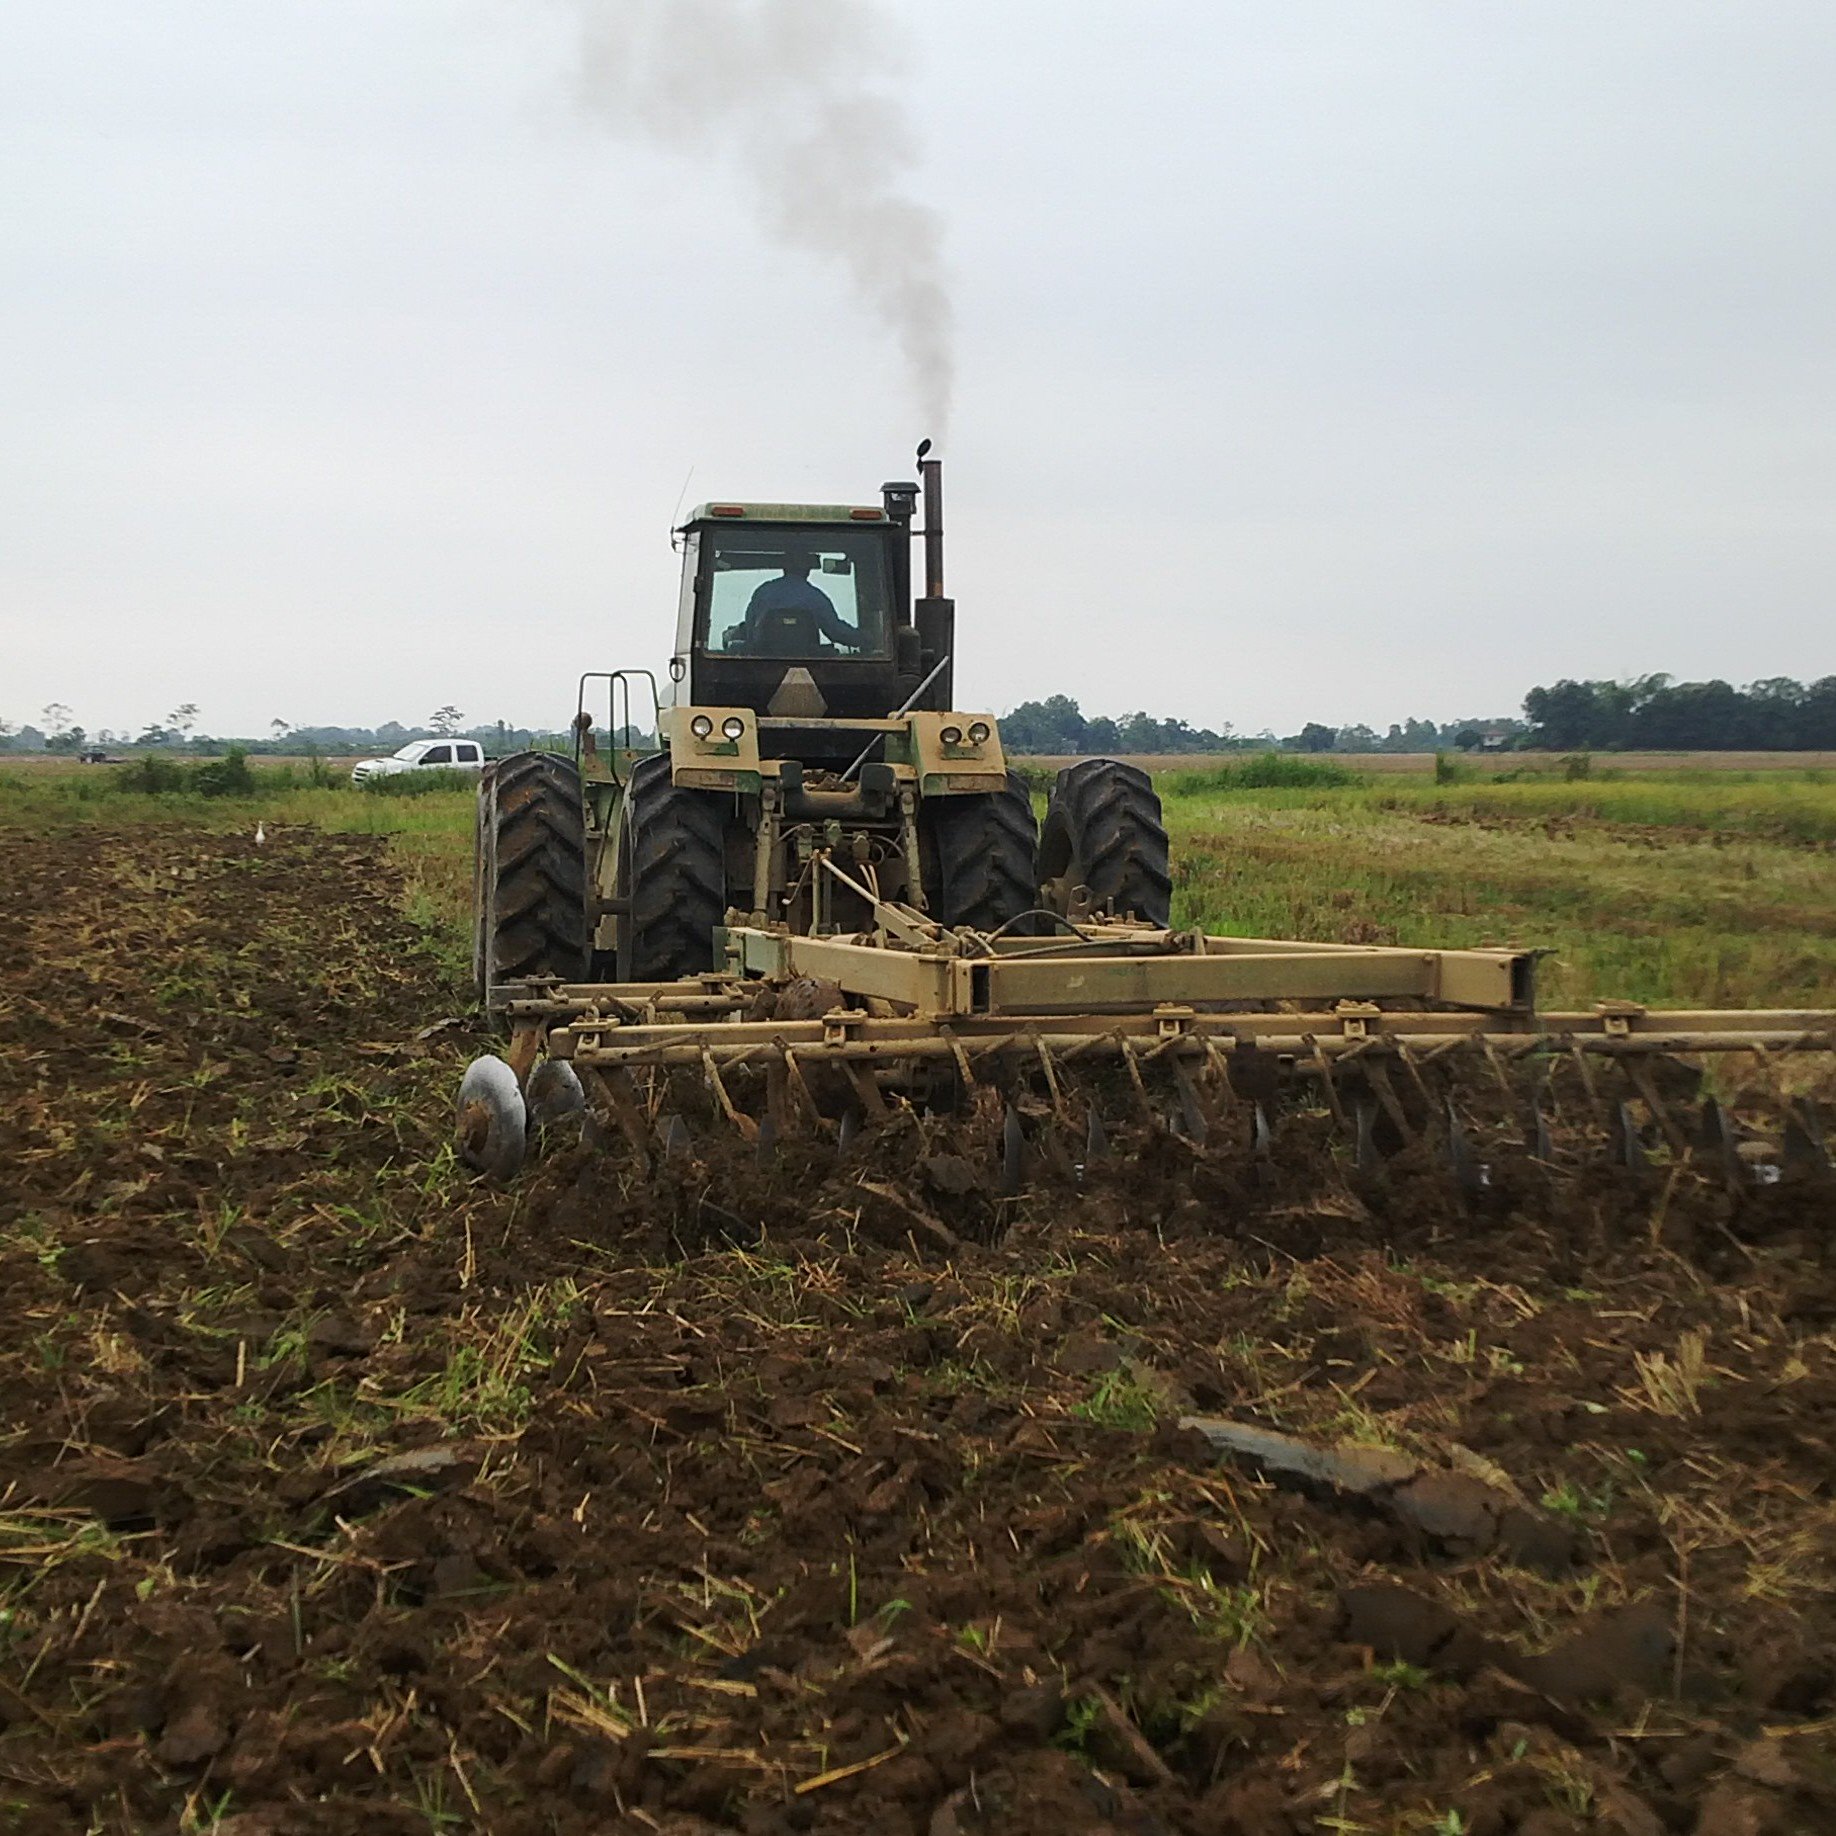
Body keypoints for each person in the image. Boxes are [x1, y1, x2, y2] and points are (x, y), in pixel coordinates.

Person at [742, 548, 860, 650]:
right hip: (811, 666)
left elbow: (750, 629)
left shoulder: (763, 593)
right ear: (808, 569)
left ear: (784, 567)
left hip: (762, 668)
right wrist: (867, 639)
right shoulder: (815, 597)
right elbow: (836, 632)